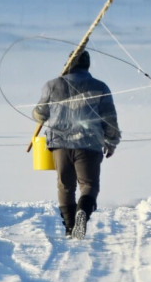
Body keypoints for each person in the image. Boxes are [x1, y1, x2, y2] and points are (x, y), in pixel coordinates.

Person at [32, 50, 120, 239]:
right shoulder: (100, 87)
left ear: (68, 63)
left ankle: (70, 227)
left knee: (65, 186)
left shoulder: (52, 85)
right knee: (88, 185)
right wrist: (111, 141)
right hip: (89, 144)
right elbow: (109, 118)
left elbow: (39, 114)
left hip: (59, 145)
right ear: (87, 65)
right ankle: (83, 213)